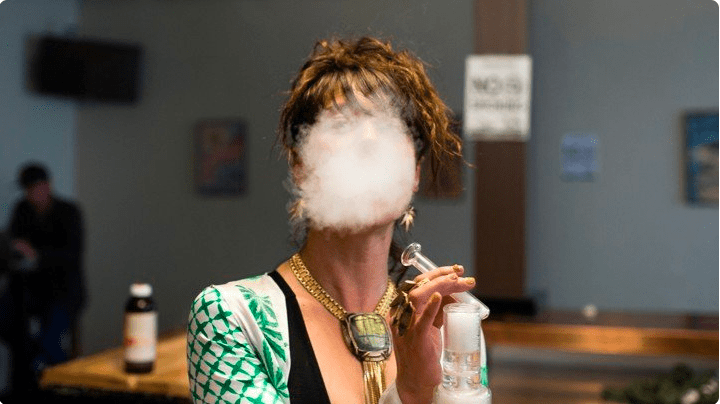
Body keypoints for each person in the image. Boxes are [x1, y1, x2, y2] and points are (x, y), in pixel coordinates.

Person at [187, 36, 479, 404]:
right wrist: (411, 392)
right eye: (343, 124)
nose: (370, 140)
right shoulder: (230, 318)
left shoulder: (447, 325)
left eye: (390, 127)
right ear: (300, 165)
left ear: (416, 173)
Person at [6, 163, 86, 383]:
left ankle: (61, 381)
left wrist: (37, 254)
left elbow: (71, 255)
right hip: (31, 290)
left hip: (63, 290)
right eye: (29, 189)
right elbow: (14, 241)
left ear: (47, 186)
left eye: (36, 188)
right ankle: (29, 374)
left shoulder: (68, 212)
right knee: (12, 326)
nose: (33, 194)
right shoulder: (23, 210)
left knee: (51, 343)